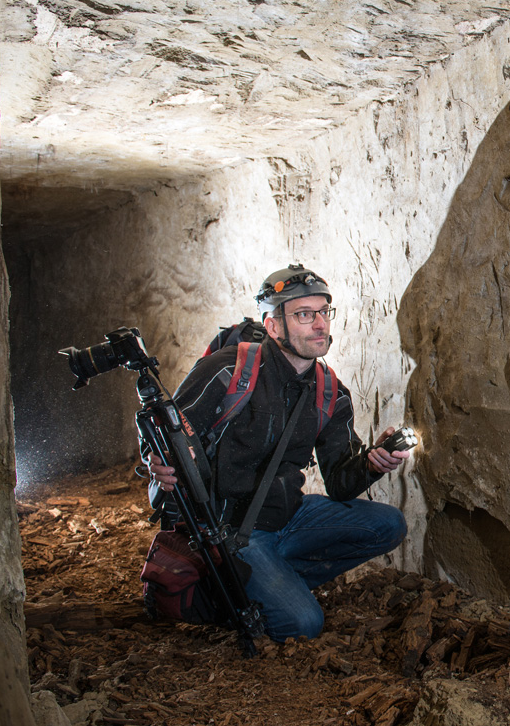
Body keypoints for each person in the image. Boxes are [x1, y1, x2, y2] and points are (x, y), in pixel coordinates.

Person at [147, 264, 409, 641]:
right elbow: (163, 433)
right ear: (273, 326)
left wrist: (371, 464)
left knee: (388, 524)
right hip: (232, 532)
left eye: (323, 312)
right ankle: (236, 585)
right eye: (304, 315)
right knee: (304, 624)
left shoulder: (331, 393)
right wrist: (155, 464)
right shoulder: (228, 370)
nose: (319, 324)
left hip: (288, 518)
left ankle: (270, 578)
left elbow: (339, 483)